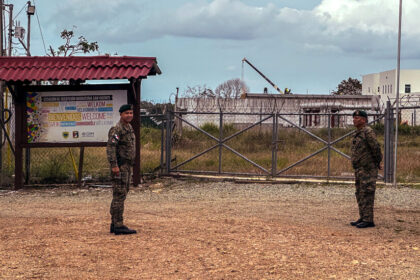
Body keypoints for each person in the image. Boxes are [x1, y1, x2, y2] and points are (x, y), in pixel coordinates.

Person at [106, 104, 137, 235]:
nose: (129, 115)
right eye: (126, 113)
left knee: (122, 194)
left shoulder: (129, 128)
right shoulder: (117, 129)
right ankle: (118, 224)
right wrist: (114, 165)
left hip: (127, 167)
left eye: (131, 113)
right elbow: (111, 148)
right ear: (121, 114)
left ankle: (114, 223)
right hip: (120, 166)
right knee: (119, 195)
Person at [350, 110, 382, 228]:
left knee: (367, 192)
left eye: (357, 118)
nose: (354, 120)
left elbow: (375, 148)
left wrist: (377, 162)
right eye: (354, 118)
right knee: (360, 192)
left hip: (368, 168)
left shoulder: (368, 132)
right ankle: (363, 217)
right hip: (360, 168)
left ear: (364, 120)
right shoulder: (357, 133)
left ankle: (369, 220)